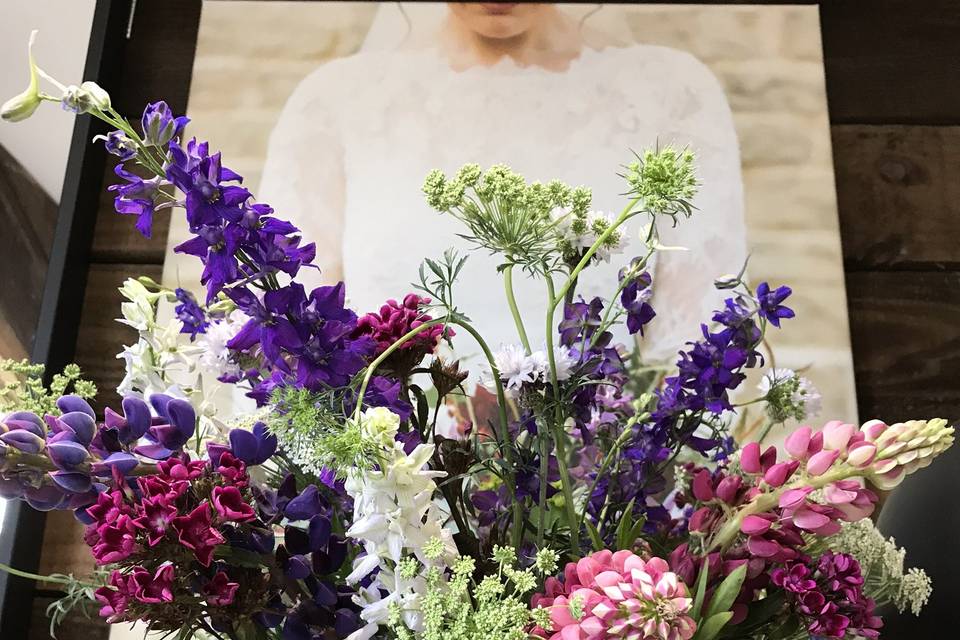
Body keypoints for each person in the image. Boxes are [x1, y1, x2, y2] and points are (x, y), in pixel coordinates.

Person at [259, 2, 746, 428]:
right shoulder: (335, 101)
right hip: (387, 483)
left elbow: (694, 342)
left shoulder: (671, 94)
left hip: (592, 493)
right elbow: (290, 328)